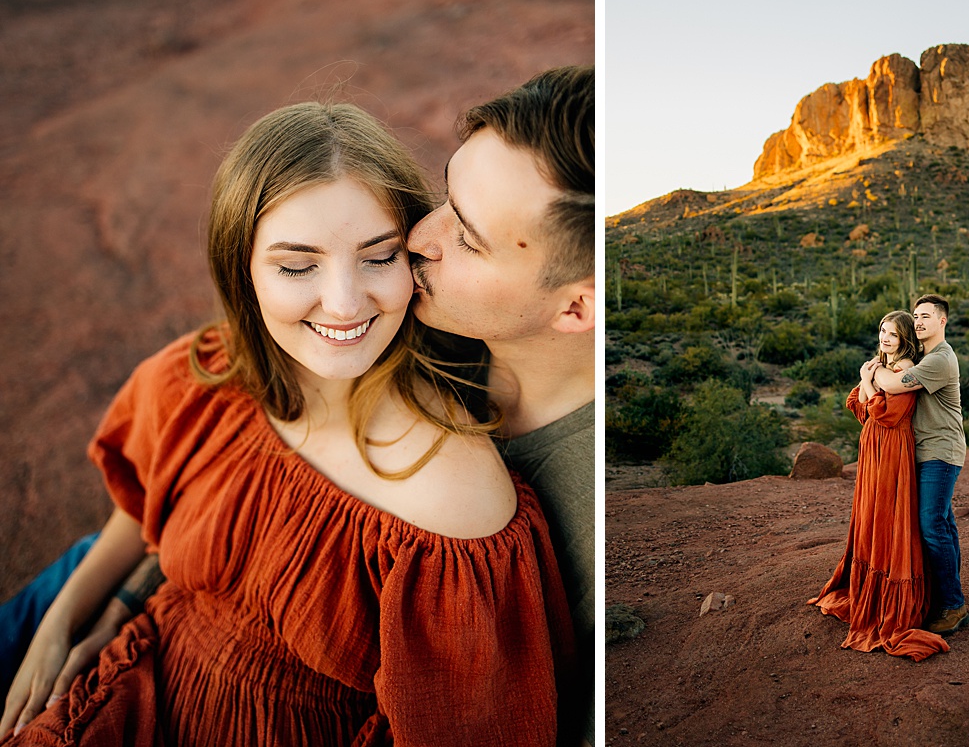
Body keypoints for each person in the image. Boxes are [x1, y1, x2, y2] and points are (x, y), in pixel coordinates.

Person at [0, 101, 573, 745]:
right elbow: (143, 509)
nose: (345, 304)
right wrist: (60, 627)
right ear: (242, 270)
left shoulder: (454, 499)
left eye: (379, 257)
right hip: (126, 680)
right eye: (298, 266)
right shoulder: (203, 378)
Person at [407, 64, 596, 744]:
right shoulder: (411, 317)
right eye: (445, 196)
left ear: (576, 307)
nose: (416, 238)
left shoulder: (591, 534)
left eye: (465, 237)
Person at [808, 311, 949, 661]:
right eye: (883, 331)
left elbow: (886, 413)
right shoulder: (881, 366)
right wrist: (869, 384)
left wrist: (866, 379)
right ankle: (865, 590)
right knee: (871, 514)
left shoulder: (904, 370)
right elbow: (858, 405)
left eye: (894, 334)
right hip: (873, 447)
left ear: (905, 340)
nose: (885, 338)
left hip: (892, 449)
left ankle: (896, 601)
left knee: (887, 514)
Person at [870, 294, 969, 636]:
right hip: (926, 451)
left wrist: (874, 368)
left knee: (931, 525)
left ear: (942, 321)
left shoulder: (940, 359)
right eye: (915, 315)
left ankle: (953, 606)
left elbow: (893, 384)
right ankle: (948, 597)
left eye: (926, 315)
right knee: (942, 523)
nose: (918, 321)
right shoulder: (923, 356)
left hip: (940, 451)